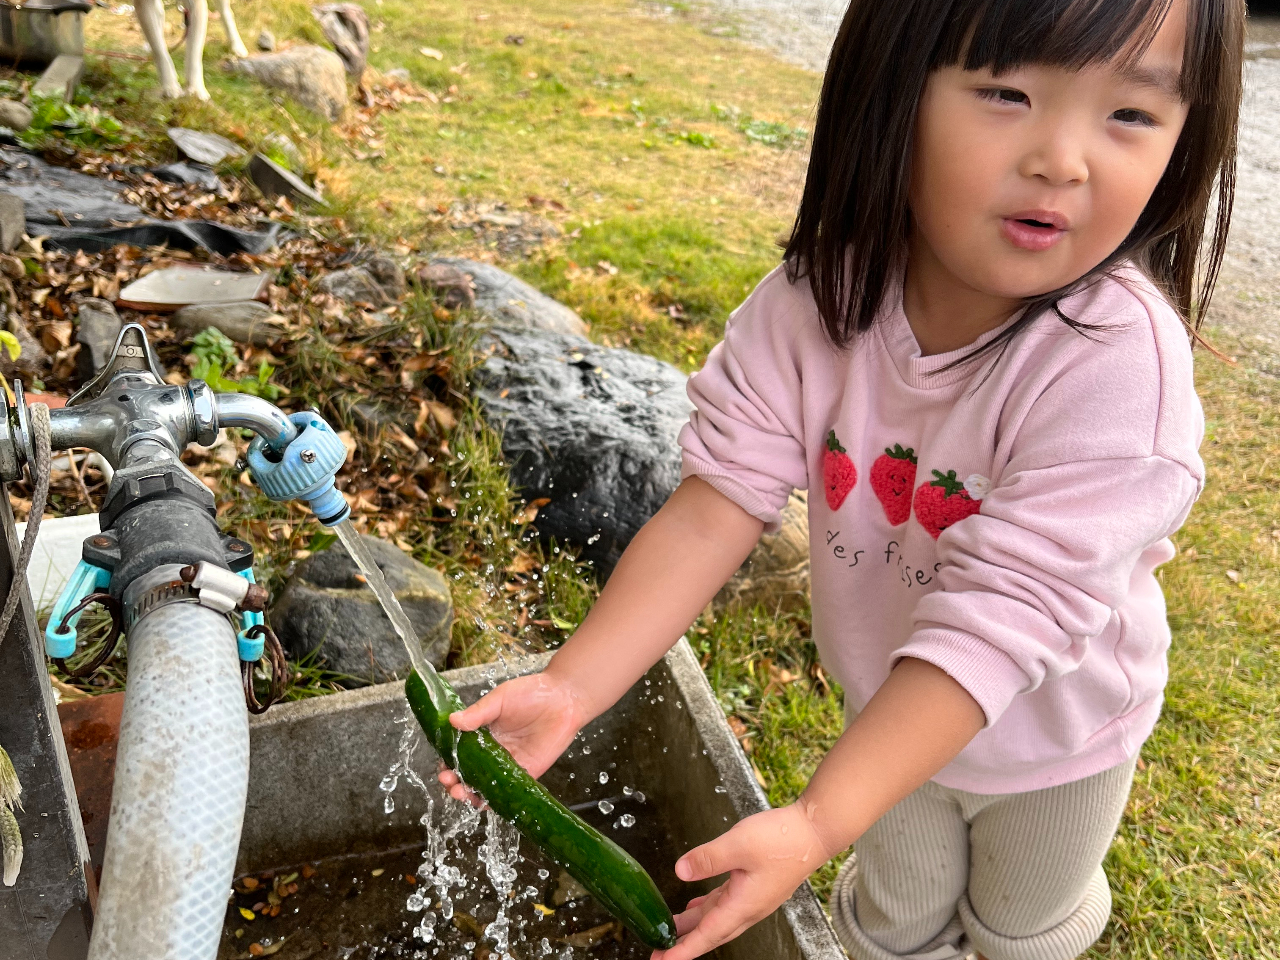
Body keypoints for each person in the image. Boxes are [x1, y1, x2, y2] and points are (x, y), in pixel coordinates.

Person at [439, 0, 1246, 957]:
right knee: (896, 917)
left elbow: (1010, 614)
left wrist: (820, 822)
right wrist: (574, 686)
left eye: (1132, 116)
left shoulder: (1118, 367)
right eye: (1008, 91)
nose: (1064, 161)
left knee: (1022, 927)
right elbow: (715, 508)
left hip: (1055, 737)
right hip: (882, 700)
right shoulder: (816, 301)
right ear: (892, 88)